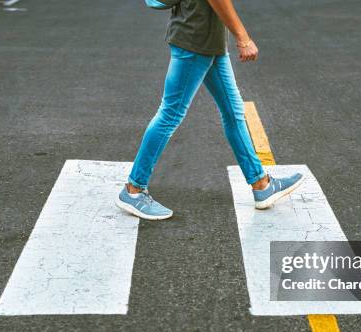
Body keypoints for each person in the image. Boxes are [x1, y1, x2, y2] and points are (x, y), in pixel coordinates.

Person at [116, 0, 303, 220]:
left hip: (209, 41)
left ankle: (261, 184)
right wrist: (242, 37)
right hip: (195, 41)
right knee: (170, 115)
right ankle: (134, 189)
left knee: (233, 112)